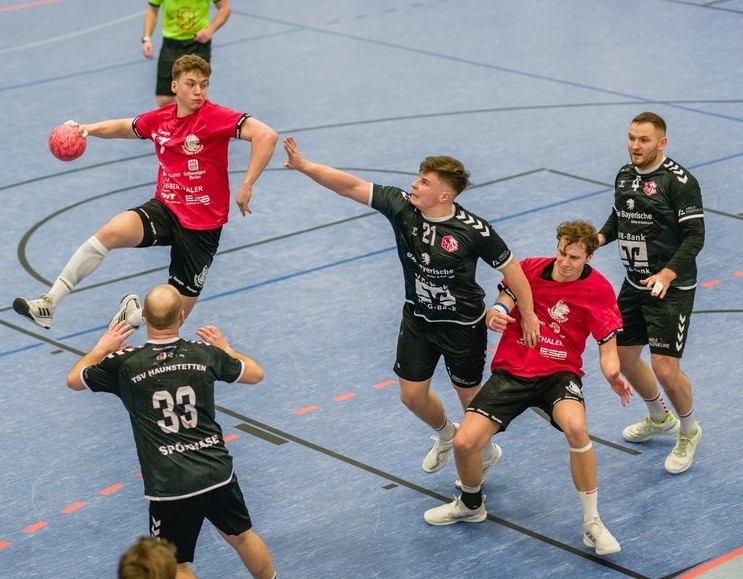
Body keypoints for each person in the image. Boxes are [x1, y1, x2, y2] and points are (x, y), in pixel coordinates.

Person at [282, 137, 540, 480]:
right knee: (412, 396)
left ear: (444, 196)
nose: (414, 185)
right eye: (418, 178)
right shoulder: (401, 205)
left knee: (470, 402)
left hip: (463, 327)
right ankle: (447, 435)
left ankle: (481, 461)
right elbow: (351, 186)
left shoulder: (473, 230)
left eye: (424, 182)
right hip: (418, 319)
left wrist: (528, 314)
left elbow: (513, 270)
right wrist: (304, 166)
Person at [14, 54, 278, 332]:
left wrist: (247, 184)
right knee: (111, 231)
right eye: (191, 84)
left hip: (202, 226)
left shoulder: (215, 117)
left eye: (204, 84)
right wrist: (87, 129)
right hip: (166, 209)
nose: (198, 91)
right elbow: (125, 127)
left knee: (174, 319)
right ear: (174, 86)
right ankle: (49, 303)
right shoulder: (160, 119)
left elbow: (266, 135)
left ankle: (132, 316)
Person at [423, 220, 633, 556]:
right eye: (562, 253)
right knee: (464, 443)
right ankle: (471, 505)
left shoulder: (599, 290)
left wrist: (612, 374)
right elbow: (503, 301)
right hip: (513, 372)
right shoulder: (531, 269)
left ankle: (592, 522)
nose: (565, 262)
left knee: (577, 429)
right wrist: (496, 314)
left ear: (589, 258)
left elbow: (607, 348)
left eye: (574, 258)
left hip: (558, 375)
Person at [67, 284, 277, 579]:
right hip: (217, 470)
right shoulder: (204, 353)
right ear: (181, 316)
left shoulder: (125, 364)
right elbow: (255, 373)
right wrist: (227, 350)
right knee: (241, 536)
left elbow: (74, 380)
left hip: (171, 484)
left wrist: (102, 348)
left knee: (171, 565)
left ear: (144, 317)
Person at [597, 111, 704, 474]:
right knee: (624, 357)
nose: (635, 146)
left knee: (665, 369)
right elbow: (619, 217)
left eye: (644, 140)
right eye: (631, 138)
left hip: (670, 288)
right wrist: (599, 238)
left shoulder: (679, 182)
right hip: (634, 283)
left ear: (662, 142)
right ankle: (659, 417)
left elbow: (695, 236)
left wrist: (668, 273)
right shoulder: (625, 175)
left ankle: (689, 430)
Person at [142, 0, 232, 107]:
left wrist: (210, 30)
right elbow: (152, 10)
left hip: (197, 43)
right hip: (171, 44)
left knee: (198, 96)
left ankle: (199, 117)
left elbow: (224, 8)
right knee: (164, 99)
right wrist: (147, 38)